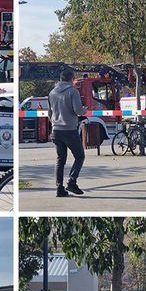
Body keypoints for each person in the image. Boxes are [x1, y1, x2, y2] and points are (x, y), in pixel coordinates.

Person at [48, 69, 87, 197]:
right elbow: (78, 110)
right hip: (69, 130)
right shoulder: (73, 91)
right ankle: (72, 182)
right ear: (72, 79)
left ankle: (59, 188)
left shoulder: (52, 93)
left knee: (60, 160)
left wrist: (55, 122)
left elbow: (50, 113)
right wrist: (84, 110)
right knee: (80, 156)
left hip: (56, 131)